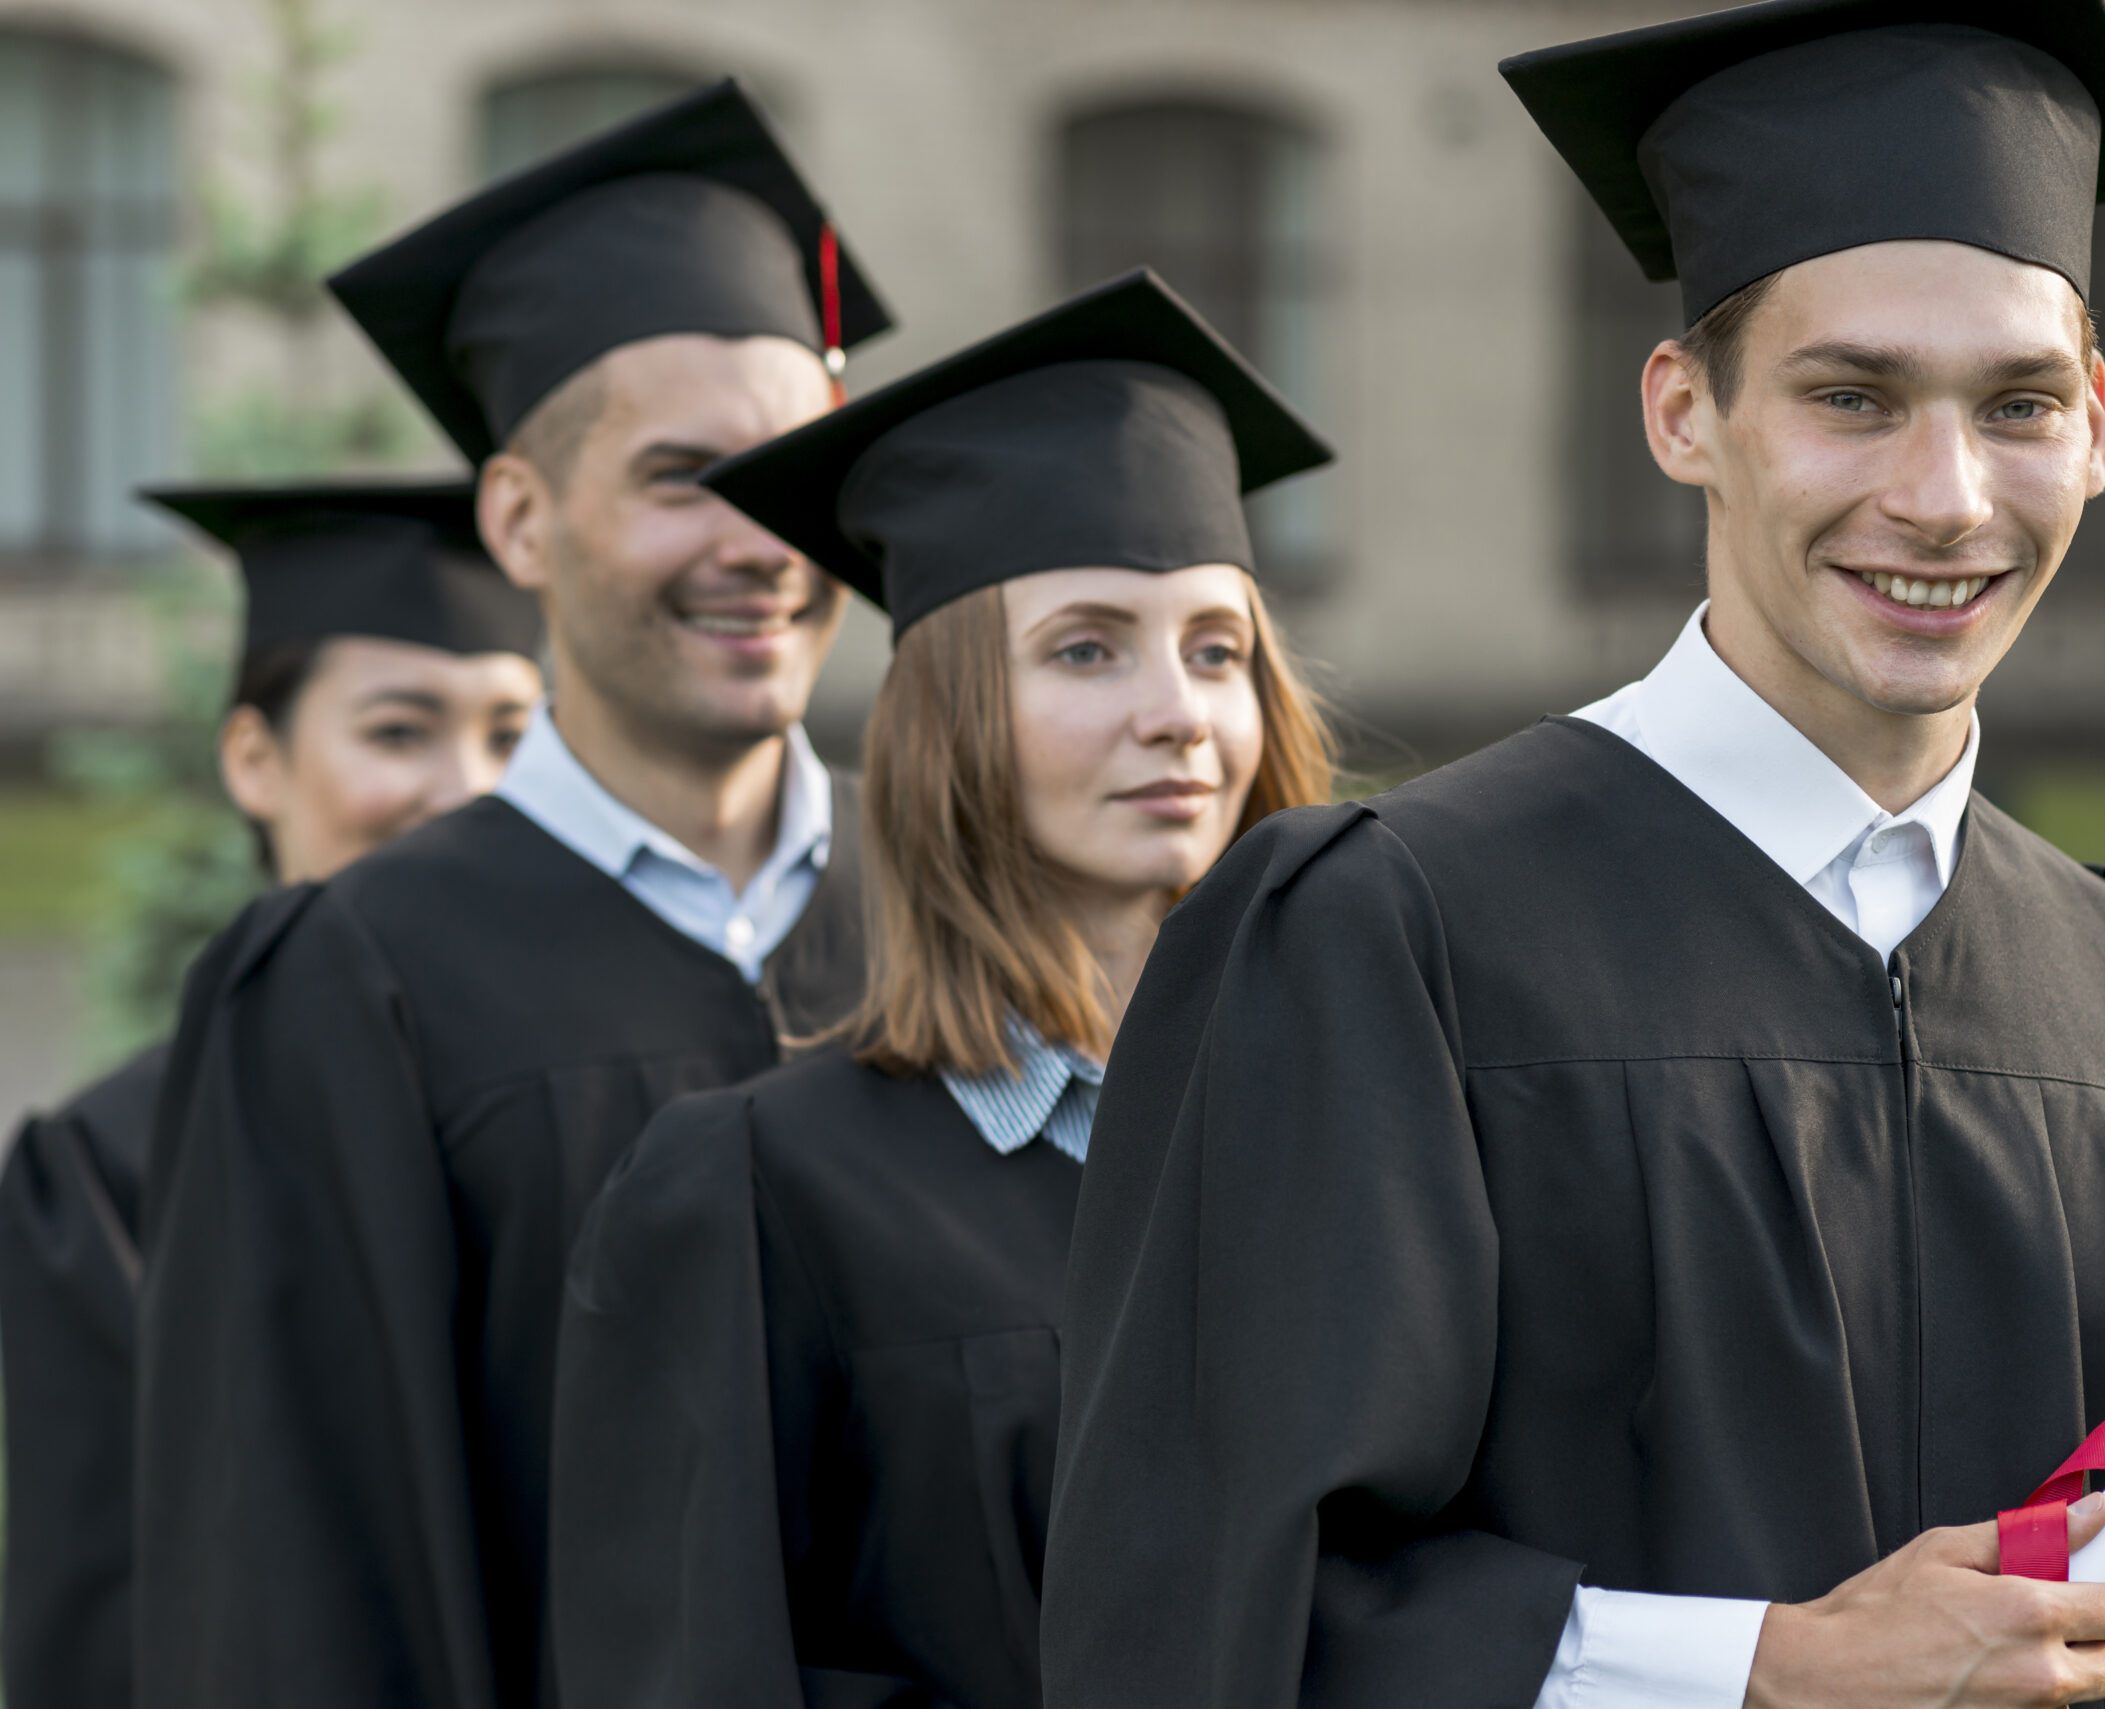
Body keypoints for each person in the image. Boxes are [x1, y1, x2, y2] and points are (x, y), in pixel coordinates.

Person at [1043, 6, 2105, 1709]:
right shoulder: (1392, 933)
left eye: (2020, 402)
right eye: (1853, 395)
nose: (1949, 493)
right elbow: (1218, 1615)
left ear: (2103, 429)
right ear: (1684, 410)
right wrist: (1772, 1665)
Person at [133, 80, 892, 1709]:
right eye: (686, 474)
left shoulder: (973, 923)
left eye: (797, 466)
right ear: (521, 520)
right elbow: (292, 1576)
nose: (761, 536)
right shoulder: (361, 980)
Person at [544, 269, 1338, 1709]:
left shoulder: (1366, 1139)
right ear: (952, 716)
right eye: (1087, 647)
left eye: (1217, 651)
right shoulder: (764, 1190)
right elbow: (702, 1665)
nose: (1178, 710)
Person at [0, 478, 542, 1709]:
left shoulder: (607, 1112)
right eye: (399, 731)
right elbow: (99, 1635)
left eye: (512, 735)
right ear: (255, 757)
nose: (464, 789)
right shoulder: (107, 1165)